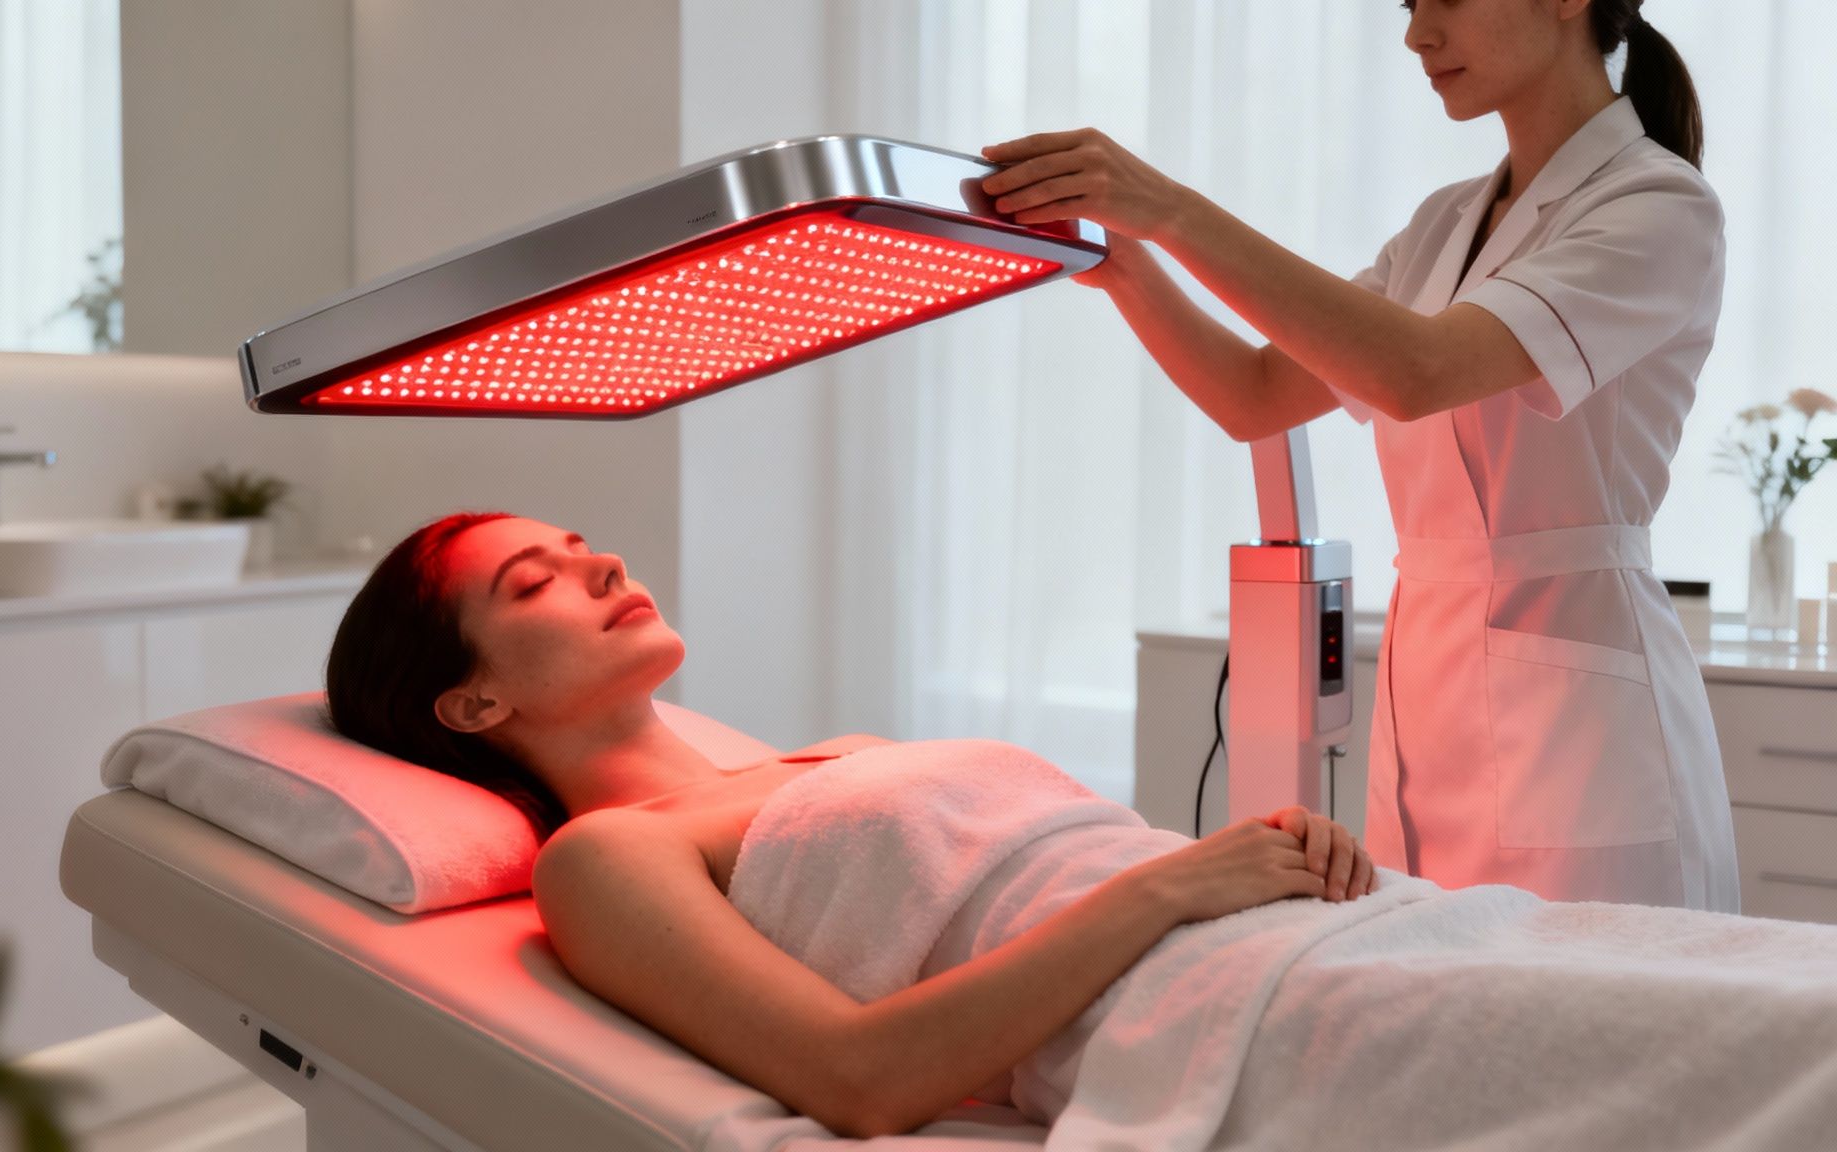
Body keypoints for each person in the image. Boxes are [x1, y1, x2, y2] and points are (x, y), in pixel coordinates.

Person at [977, 0, 1734, 910]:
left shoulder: (1658, 207)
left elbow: (1415, 371)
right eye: (1409, 7)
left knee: (1591, 1023)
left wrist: (1168, 207)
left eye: (1443, 0)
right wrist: (1122, 261)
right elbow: (1252, 395)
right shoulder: (1443, 225)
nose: (1417, 35)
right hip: (1427, 702)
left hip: (1582, 737)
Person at [325, 512, 1377, 1137]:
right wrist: (1166, 888)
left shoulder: (845, 754)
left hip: (1324, 940)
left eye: (583, 547)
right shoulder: (609, 853)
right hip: (1226, 1022)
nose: (602, 568)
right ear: (471, 704)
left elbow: (1069, 866)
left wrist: (1268, 856)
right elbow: (858, 1080)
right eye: (531, 585)